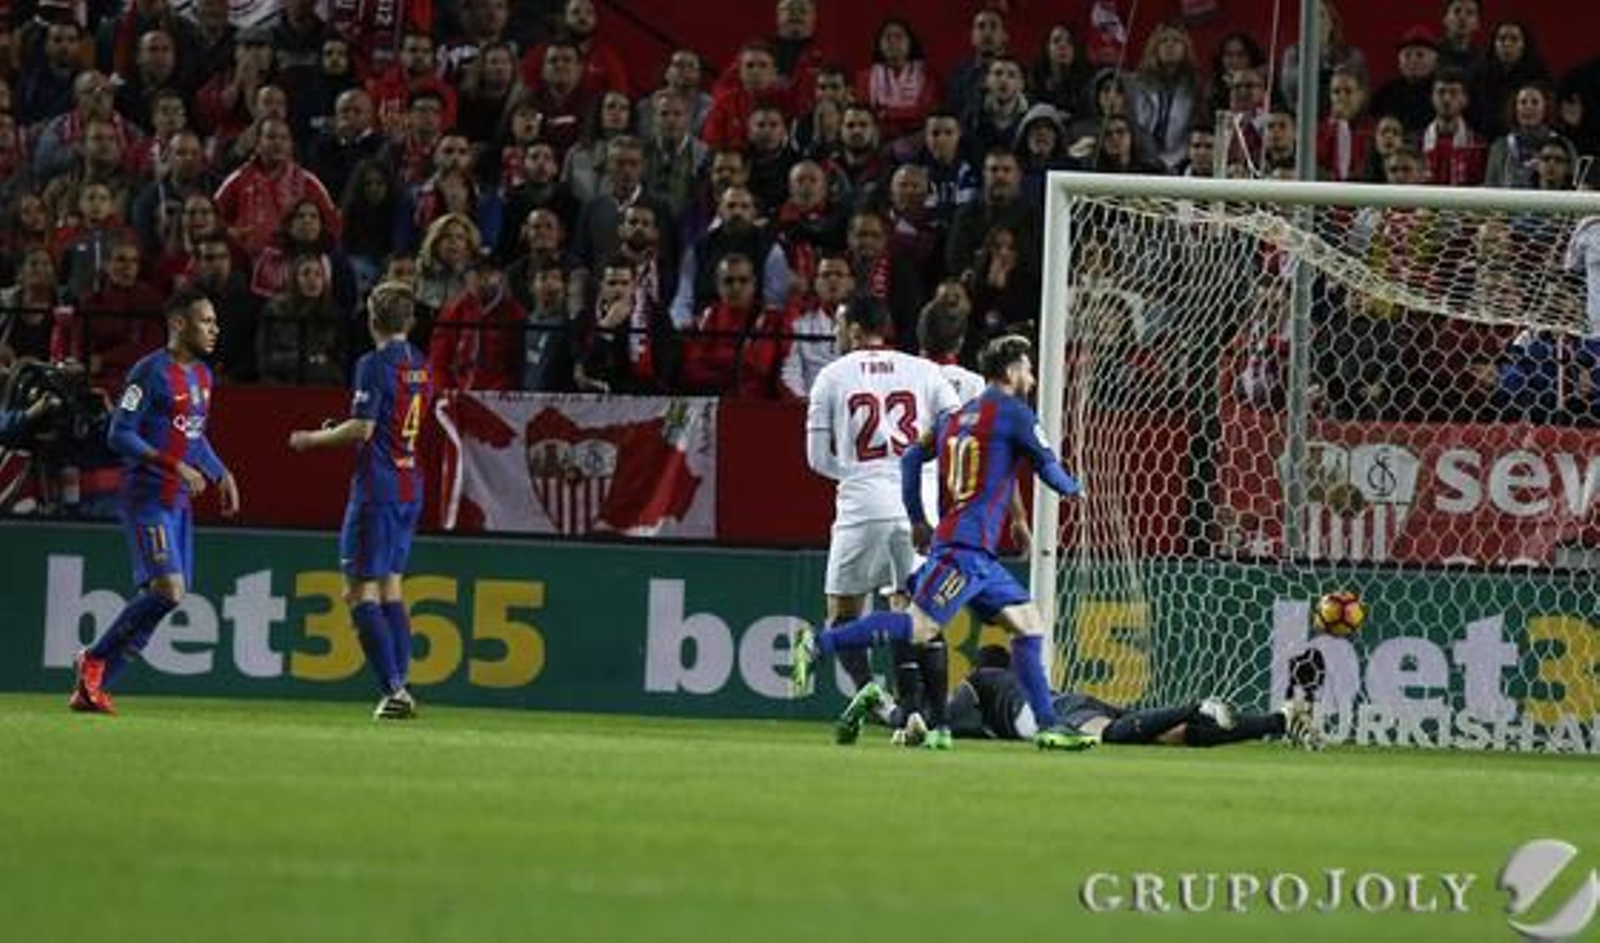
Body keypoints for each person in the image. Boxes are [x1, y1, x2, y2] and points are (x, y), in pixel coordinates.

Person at [793, 334, 1090, 752]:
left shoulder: (957, 416)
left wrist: (918, 517)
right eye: (1027, 368)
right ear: (1010, 371)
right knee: (919, 627)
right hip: (964, 550)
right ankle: (818, 644)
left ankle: (1049, 725)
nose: (1032, 377)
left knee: (1028, 624)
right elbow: (1048, 467)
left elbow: (912, 458)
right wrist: (1077, 490)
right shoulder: (1015, 413)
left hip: (975, 551)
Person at [70, 288, 241, 714]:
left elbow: (194, 437)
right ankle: (94, 658)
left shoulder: (203, 376)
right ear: (179, 323)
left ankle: (93, 688)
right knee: (169, 588)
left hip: (178, 502)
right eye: (206, 321)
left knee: (166, 597)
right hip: (146, 497)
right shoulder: (148, 372)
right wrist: (174, 465)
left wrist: (221, 472)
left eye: (215, 322)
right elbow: (119, 433)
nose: (215, 329)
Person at [803, 297, 961, 737]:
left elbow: (816, 459)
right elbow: (956, 428)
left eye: (839, 326)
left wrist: (859, 474)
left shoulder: (831, 376)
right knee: (912, 612)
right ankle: (927, 717)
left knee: (843, 613)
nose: (836, 335)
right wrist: (921, 467)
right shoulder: (924, 371)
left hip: (862, 506)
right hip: (917, 510)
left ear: (854, 330)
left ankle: (873, 695)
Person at [288, 280, 433, 720]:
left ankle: (393, 690)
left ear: (371, 319)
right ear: (410, 321)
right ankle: (400, 685)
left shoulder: (372, 364)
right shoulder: (421, 363)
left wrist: (312, 439)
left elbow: (364, 428)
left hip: (378, 489)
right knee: (391, 586)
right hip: (410, 483)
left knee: (357, 592)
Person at [946, 646, 1318, 748]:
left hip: (1063, 711)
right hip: (1074, 701)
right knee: (1178, 736)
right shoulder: (1013, 688)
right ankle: (1280, 720)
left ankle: (1197, 706)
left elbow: (949, 717)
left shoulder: (982, 679)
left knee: (1109, 736)